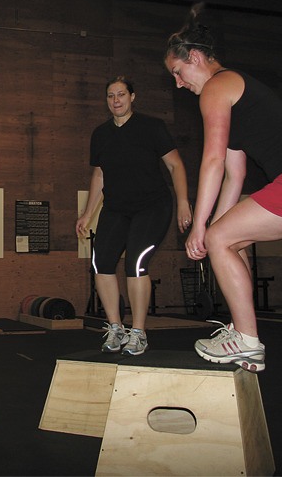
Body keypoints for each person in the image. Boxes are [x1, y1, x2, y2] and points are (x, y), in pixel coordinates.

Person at [164, 6, 282, 372]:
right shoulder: (235, 92)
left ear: (196, 57)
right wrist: (214, 230)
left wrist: (202, 228)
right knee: (231, 240)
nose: (178, 83)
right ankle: (242, 331)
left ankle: (248, 341)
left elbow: (212, 162)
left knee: (220, 238)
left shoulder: (217, 87)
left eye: (178, 72)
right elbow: (234, 175)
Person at [76, 76, 192, 355]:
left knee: (136, 263)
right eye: (110, 96)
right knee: (100, 262)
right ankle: (115, 328)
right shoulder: (101, 134)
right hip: (117, 208)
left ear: (132, 97)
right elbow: (100, 174)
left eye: (121, 95)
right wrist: (87, 213)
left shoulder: (152, 127)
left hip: (152, 206)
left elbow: (176, 166)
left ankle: (138, 332)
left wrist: (184, 202)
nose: (116, 100)